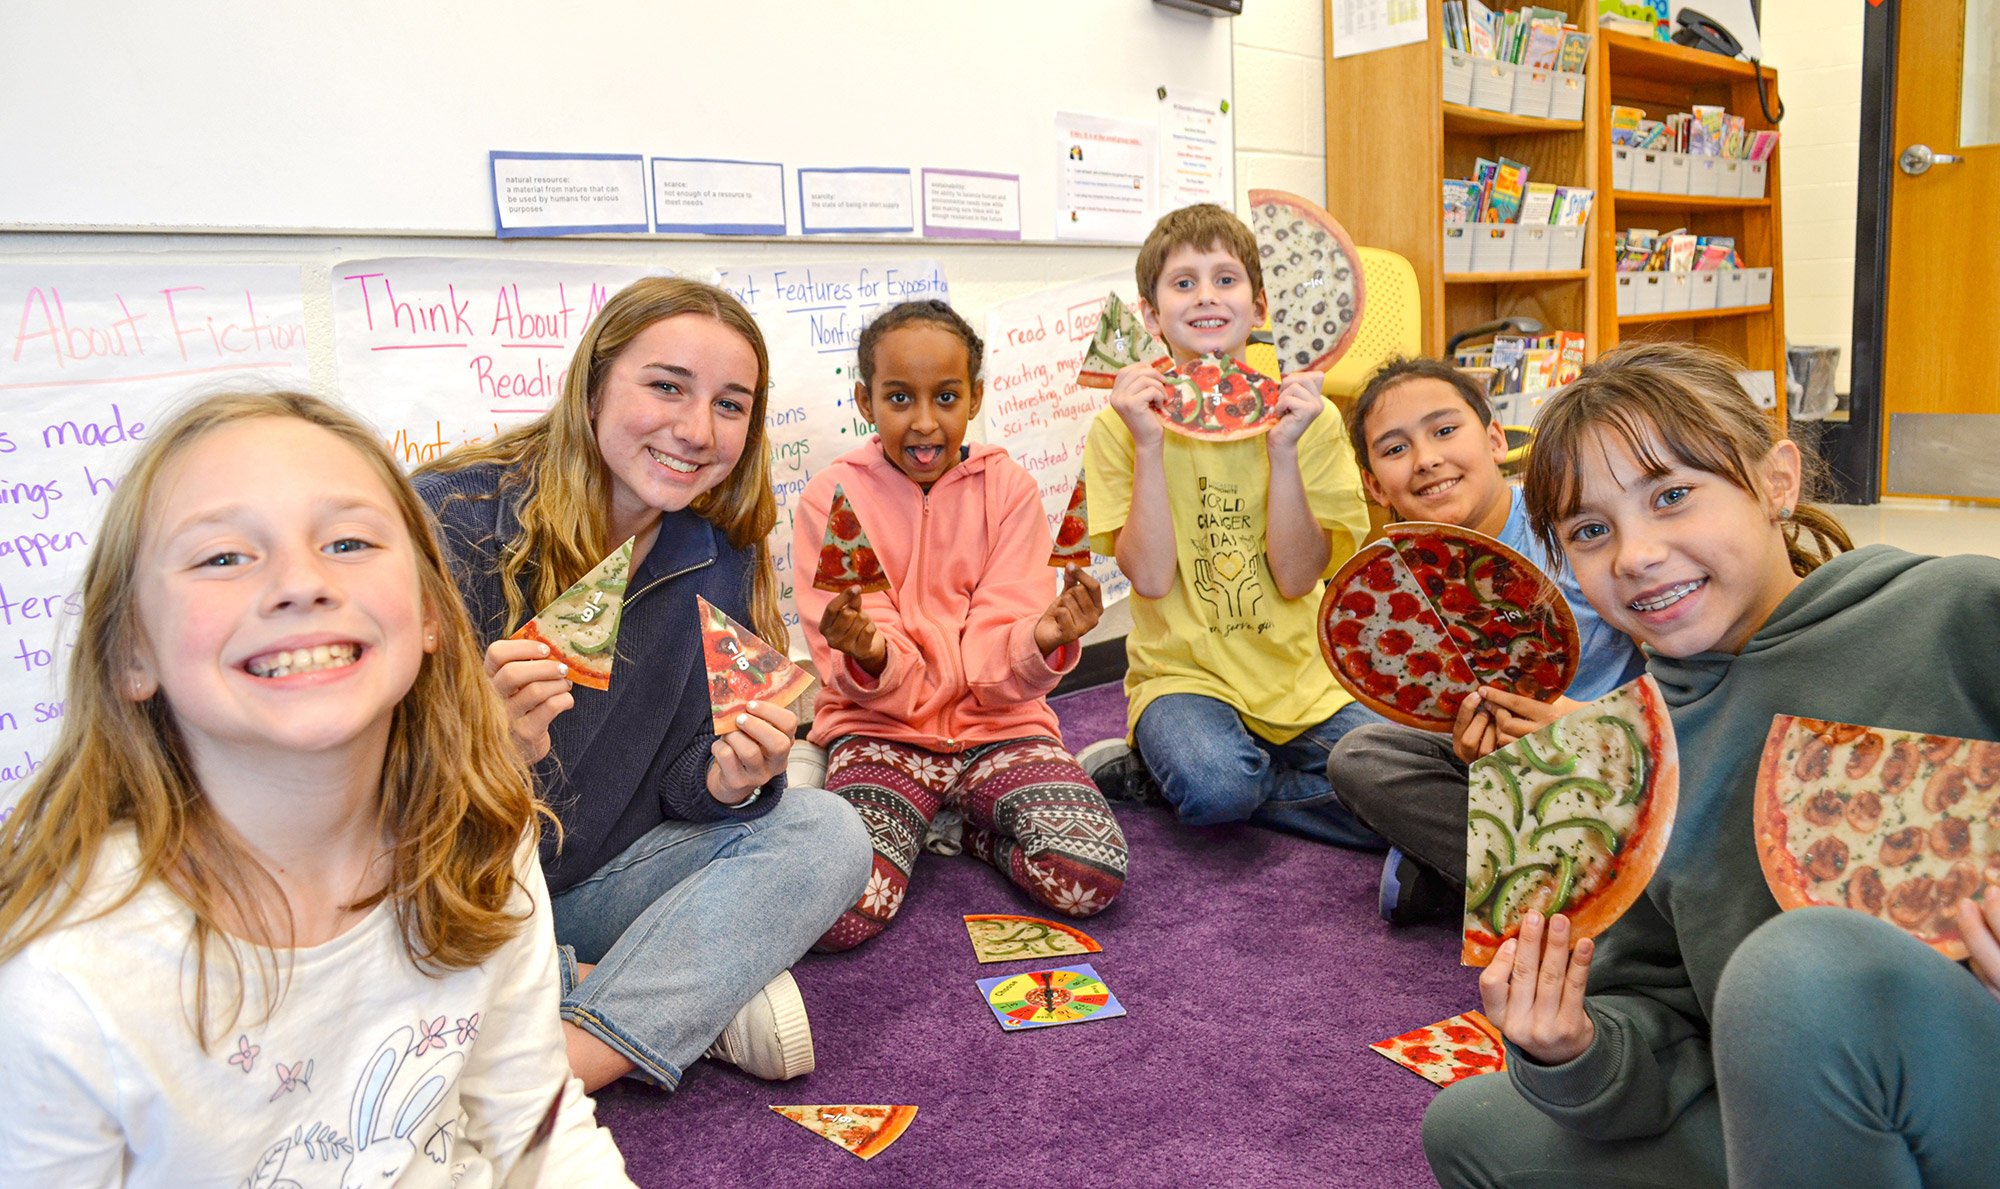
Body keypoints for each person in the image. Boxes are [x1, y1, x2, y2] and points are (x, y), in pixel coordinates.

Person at [0, 391, 630, 1185]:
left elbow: (537, 1125)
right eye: (223, 556)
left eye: (348, 540)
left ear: (433, 614)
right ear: (132, 651)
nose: (300, 582)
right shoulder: (65, 970)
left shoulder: (482, 837)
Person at [1422, 341, 2000, 1186]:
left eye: (1673, 495)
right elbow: (1662, 1025)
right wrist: (1573, 1047)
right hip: (1799, 1104)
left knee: (1794, 969)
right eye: (1590, 530)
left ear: (1777, 482)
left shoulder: (1955, 610)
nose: (1636, 554)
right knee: (1475, 1124)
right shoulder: (1619, 754)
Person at [415, 278, 871, 1093]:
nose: (697, 430)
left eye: (731, 405)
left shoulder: (713, 551)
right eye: (666, 386)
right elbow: (351, 808)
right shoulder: (449, 522)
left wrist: (728, 780)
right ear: (593, 385)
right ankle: (661, 1002)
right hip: (452, 897)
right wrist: (485, 745)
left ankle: (570, 1055)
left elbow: (681, 779)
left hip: (592, 881)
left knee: (828, 831)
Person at [795, 299, 1128, 951]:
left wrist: (1046, 636)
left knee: (1088, 875)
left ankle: (964, 830)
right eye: (899, 398)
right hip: (880, 732)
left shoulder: (1008, 491)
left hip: (998, 729)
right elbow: (860, 665)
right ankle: (917, 816)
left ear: (975, 396)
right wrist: (869, 652)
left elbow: (995, 655)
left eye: (946, 396)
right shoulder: (831, 498)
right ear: (865, 400)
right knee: (838, 916)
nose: (924, 422)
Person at [1078, 202, 1381, 848]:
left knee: (1405, 772)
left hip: (1303, 675)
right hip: (1180, 675)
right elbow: (1154, 579)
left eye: (1225, 278)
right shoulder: (1118, 427)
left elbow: (1300, 577)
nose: (1206, 296)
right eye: (1183, 283)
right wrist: (1150, 445)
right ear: (1151, 315)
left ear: (1260, 305)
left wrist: (1283, 450)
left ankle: (1166, 777)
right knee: (1220, 786)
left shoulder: (1312, 419)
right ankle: (1211, 773)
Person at [1325, 357, 1645, 923]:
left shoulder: (1574, 533)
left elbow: (1671, 675)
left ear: (1495, 439)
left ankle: (1483, 876)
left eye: (1445, 431)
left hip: (1614, 762)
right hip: (1492, 762)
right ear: (1374, 486)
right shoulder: (1390, 583)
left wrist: (1580, 728)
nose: (1427, 459)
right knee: (1360, 756)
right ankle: (1531, 877)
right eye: (1395, 450)